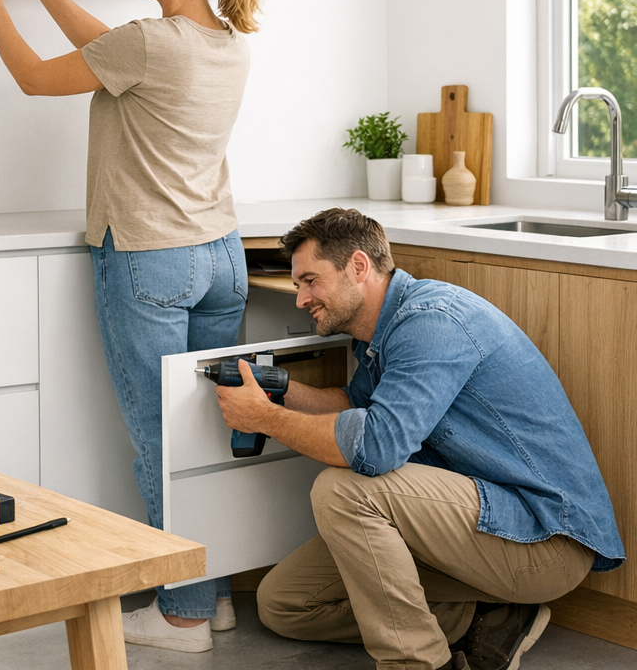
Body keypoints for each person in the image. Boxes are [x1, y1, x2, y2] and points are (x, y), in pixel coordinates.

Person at [0, 0, 266, 653]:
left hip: (149, 258)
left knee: (161, 436)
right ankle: (211, 592)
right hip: (218, 256)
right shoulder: (222, 42)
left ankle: (183, 616)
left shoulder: (151, 44)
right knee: (203, 435)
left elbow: (36, 77)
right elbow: (109, 50)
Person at [214, 207, 624, 670]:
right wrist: (281, 389)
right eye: (297, 285)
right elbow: (357, 405)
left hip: (541, 539)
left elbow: (375, 447)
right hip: (471, 527)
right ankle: (490, 619)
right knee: (285, 602)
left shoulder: (431, 322)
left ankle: (420, 663)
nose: (300, 299)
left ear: (358, 267)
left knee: (343, 490)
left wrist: (265, 418)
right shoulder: (377, 330)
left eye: (310, 281)